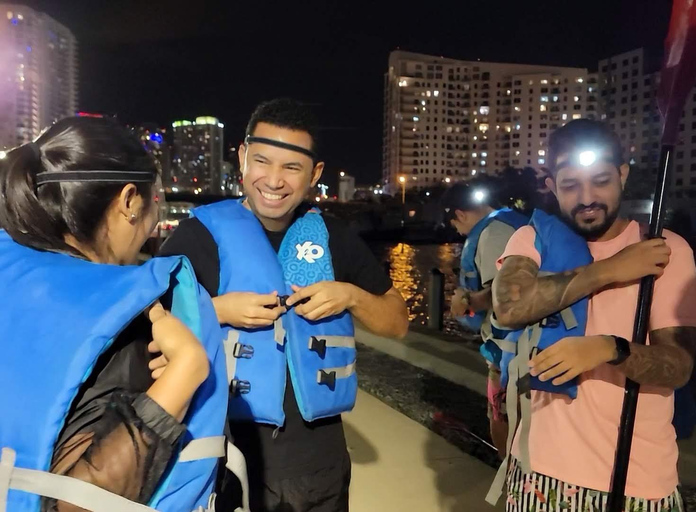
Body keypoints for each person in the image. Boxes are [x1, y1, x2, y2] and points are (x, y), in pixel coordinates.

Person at [159, 98, 409, 512]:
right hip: (220, 451)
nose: (274, 180)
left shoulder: (334, 236)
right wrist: (216, 311)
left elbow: (397, 322)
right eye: (262, 161)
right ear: (241, 158)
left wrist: (350, 295)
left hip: (318, 460)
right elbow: (144, 323)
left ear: (315, 174)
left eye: (291, 167)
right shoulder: (196, 235)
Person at [0, 117, 234, 511]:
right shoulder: (126, 328)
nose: (154, 223)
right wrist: (187, 368)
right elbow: (74, 502)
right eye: (153, 202)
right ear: (129, 201)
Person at [491, 119, 696, 511]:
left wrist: (609, 349)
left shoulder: (666, 251)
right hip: (537, 472)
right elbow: (509, 307)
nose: (588, 197)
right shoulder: (531, 240)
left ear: (622, 175)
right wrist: (609, 270)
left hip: (636, 482)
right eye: (570, 185)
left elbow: (679, 365)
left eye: (601, 180)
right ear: (552, 187)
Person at [441, 180, 528, 455]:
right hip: (522, 345)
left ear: (460, 214)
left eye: (455, 225)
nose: (458, 231)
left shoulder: (493, 234)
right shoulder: (509, 223)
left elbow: (503, 290)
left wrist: (465, 301)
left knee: (502, 418)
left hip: (511, 350)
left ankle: (511, 484)